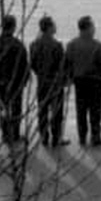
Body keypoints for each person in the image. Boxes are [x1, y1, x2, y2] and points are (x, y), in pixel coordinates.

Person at [66, 15, 101, 146]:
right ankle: (95, 137)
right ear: (87, 29)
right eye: (93, 27)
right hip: (94, 82)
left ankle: (82, 137)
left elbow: (67, 63)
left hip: (79, 82)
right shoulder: (97, 45)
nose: (94, 29)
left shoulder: (72, 44)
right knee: (95, 110)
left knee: (81, 110)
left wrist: (68, 79)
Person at [0, 15, 27, 144]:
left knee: (3, 108)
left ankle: (4, 134)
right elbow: (23, 66)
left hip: (1, 82)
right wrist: (23, 82)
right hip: (15, 83)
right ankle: (15, 134)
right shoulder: (18, 45)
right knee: (16, 108)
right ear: (14, 27)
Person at [29, 16, 68, 146]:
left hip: (41, 82)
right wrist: (65, 80)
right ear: (50, 28)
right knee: (56, 111)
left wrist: (40, 74)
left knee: (42, 110)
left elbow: (33, 64)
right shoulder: (57, 45)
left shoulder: (33, 44)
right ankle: (56, 137)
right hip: (55, 83)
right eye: (54, 25)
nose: (56, 27)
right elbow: (61, 67)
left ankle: (44, 137)